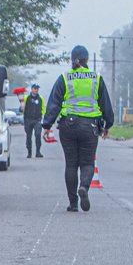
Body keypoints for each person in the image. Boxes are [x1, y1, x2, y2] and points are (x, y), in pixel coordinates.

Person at [42, 45, 115, 213]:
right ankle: (83, 187)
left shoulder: (65, 78)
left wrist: (47, 125)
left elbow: (54, 102)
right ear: (87, 60)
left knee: (71, 164)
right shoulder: (96, 78)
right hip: (89, 126)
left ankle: (73, 203)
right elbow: (105, 104)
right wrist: (107, 125)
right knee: (88, 163)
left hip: (68, 125)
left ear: (72, 60)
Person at [22, 83, 45, 158]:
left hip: (37, 120)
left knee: (38, 135)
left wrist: (43, 117)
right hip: (28, 120)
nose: (36, 90)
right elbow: (22, 108)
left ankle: (38, 152)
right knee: (28, 136)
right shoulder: (26, 98)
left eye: (37, 89)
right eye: (35, 88)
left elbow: (43, 109)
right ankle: (29, 152)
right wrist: (21, 109)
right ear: (32, 89)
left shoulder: (40, 98)